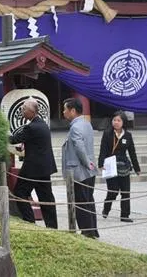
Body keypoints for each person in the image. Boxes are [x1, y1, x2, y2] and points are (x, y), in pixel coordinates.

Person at [8, 97, 58, 228]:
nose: (22, 112)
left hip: (33, 169)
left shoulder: (31, 127)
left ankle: (29, 221)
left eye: (23, 109)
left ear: (30, 111)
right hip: (44, 168)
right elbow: (35, 143)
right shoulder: (42, 124)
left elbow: (14, 139)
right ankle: (52, 226)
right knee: (46, 198)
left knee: (20, 192)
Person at [61, 97, 99, 238]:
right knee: (89, 199)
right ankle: (92, 229)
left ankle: (86, 231)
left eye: (65, 109)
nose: (63, 112)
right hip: (89, 170)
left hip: (79, 170)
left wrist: (86, 162)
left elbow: (79, 147)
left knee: (81, 202)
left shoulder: (75, 127)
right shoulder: (86, 124)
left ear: (73, 110)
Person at [98, 111, 141, 222]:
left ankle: (125, 215)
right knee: (113, 191)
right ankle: (106, 209)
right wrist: (101, 163)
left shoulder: (127, 135)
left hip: (124, 166)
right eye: (114, 120)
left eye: (118, 120)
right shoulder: (107, 134)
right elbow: (103, 150)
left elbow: (132, 152)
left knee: (125, 192)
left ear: (123, 122)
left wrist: (137, 168)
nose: (116, 122)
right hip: (111, 165)